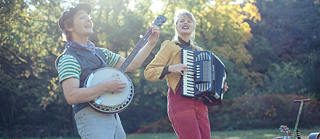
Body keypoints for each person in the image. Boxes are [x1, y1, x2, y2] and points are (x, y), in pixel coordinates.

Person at [55, 2, 160, 139]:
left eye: (89, 16)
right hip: (90, 116)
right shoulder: (69, 58)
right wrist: (105, 86)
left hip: (113, 116)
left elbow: (132, 64)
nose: (88, 19)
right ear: (69, 27)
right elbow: (71, 96)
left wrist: (150, 43)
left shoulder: (101, 53)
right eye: (82, 17)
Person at [144, 9, 228, 139]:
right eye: (181, 21)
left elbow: (208, 80)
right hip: (179, 99)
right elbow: (149, 72)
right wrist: (171, 68)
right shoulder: (169, 46)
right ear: (176, 26)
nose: (186, 23)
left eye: (189, 21)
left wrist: (219, 87)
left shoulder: (199, 51)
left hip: (200, 102)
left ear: (193, 27)